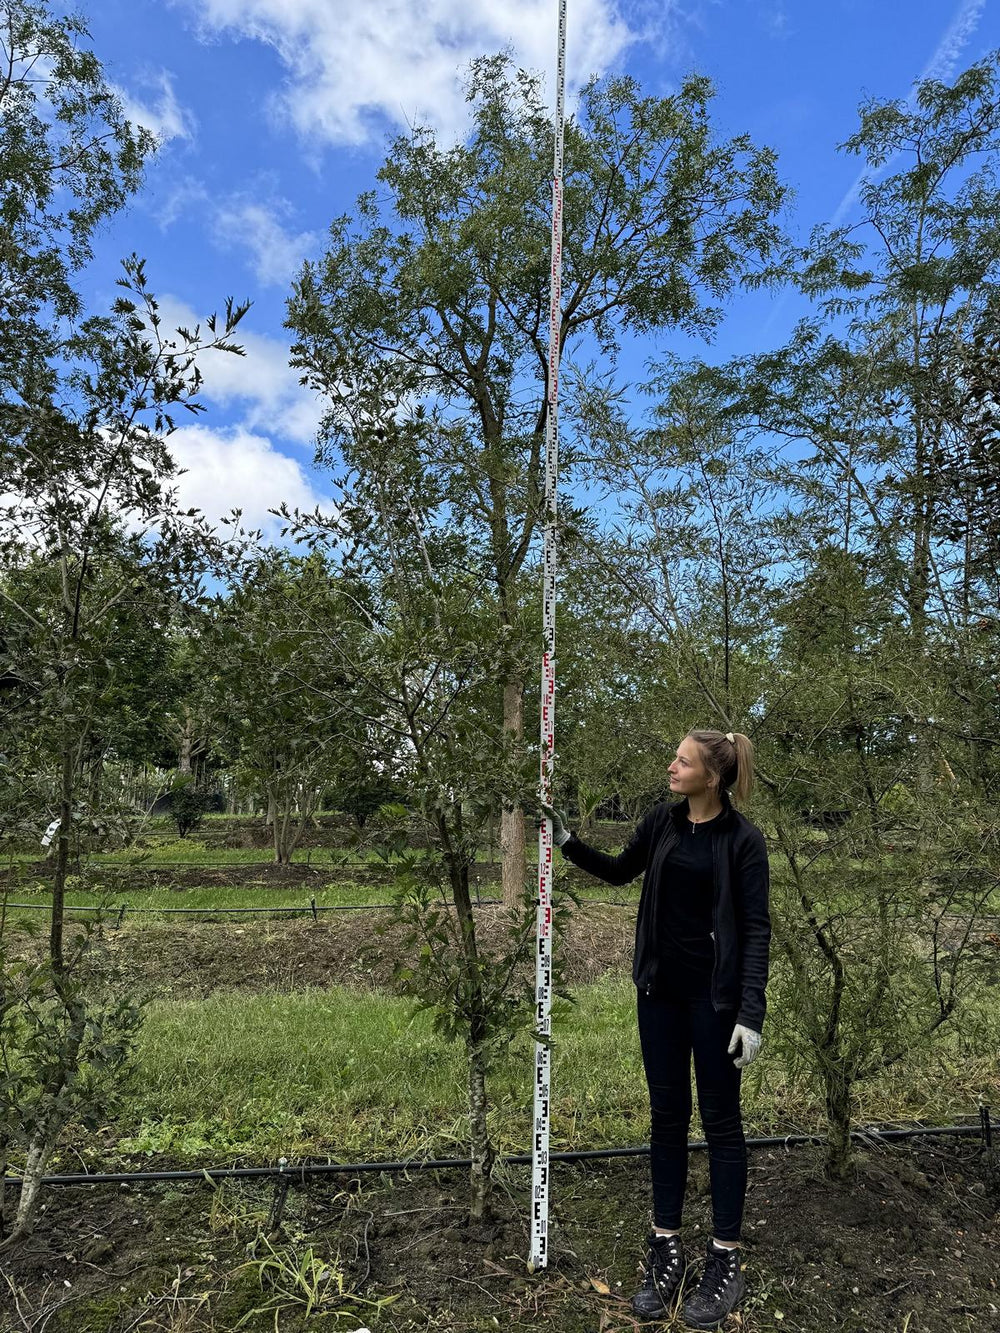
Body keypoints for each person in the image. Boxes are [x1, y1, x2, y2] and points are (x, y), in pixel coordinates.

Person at [542, 729, 770, 1329]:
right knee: (666, 1116)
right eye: (674, 757)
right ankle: (664, 1247)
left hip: (716, 1004)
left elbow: (755, 930)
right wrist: (567, 842)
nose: (671, 766)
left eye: (682, 760)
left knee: (722, 1123)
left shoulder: (744, 841)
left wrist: (751, 1013)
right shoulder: (662, 823)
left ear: (711, 777)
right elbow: (620, 873)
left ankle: (724, 1257)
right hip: (660, 996)